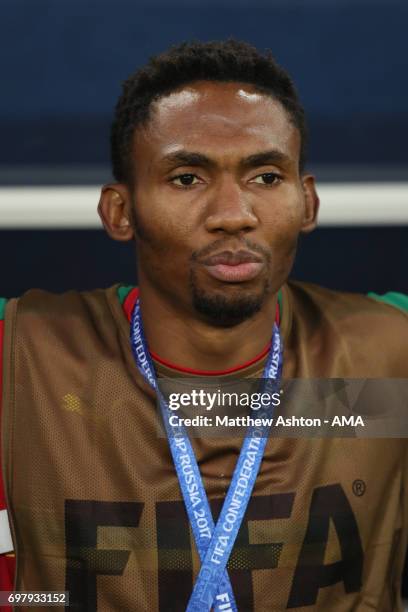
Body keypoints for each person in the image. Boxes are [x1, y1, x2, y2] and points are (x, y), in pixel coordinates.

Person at [0, 39, 407, 611]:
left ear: (307, 202)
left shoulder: (389, 352)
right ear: (120, 211)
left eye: (266, 176)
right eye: (187, 178)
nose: (233, 214)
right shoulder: (21, 353)